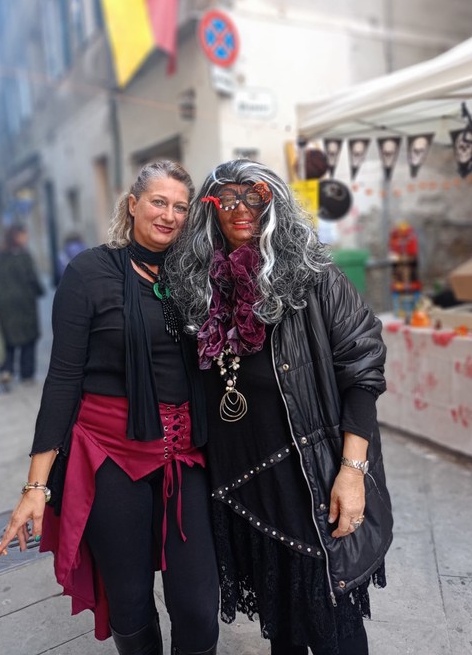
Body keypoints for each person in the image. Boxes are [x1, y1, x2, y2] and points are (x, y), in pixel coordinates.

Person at [166, 160, 393, 655]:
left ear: (274, 204)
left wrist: (352, 472)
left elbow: (363, 369)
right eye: (228, 198)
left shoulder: (314, 276)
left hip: (309, 477)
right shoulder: (199, 285)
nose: (241, 208)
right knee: (283, 626)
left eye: (255, 196)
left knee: (334, 627)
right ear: (210, 209)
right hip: (245, 484)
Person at [0, 161, 219, 655]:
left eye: (181, 207)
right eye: (158, 202)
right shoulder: (88, 272)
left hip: (186, 456)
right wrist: (36, 487)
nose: (170, 215)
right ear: (133, 204)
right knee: (130, 601)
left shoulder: (196, 274)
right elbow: (63, 379)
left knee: (199, 606)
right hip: (111, 457)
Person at [0, 223, 45, 384]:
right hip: (24, 304)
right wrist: (39, 291)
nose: (27, 238)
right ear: (16, 236)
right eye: (24, 235)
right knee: (29, 339)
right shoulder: (24, 257)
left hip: (4, 305)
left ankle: (6, 370)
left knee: (7, 338)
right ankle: (27, 374)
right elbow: (33, 279)